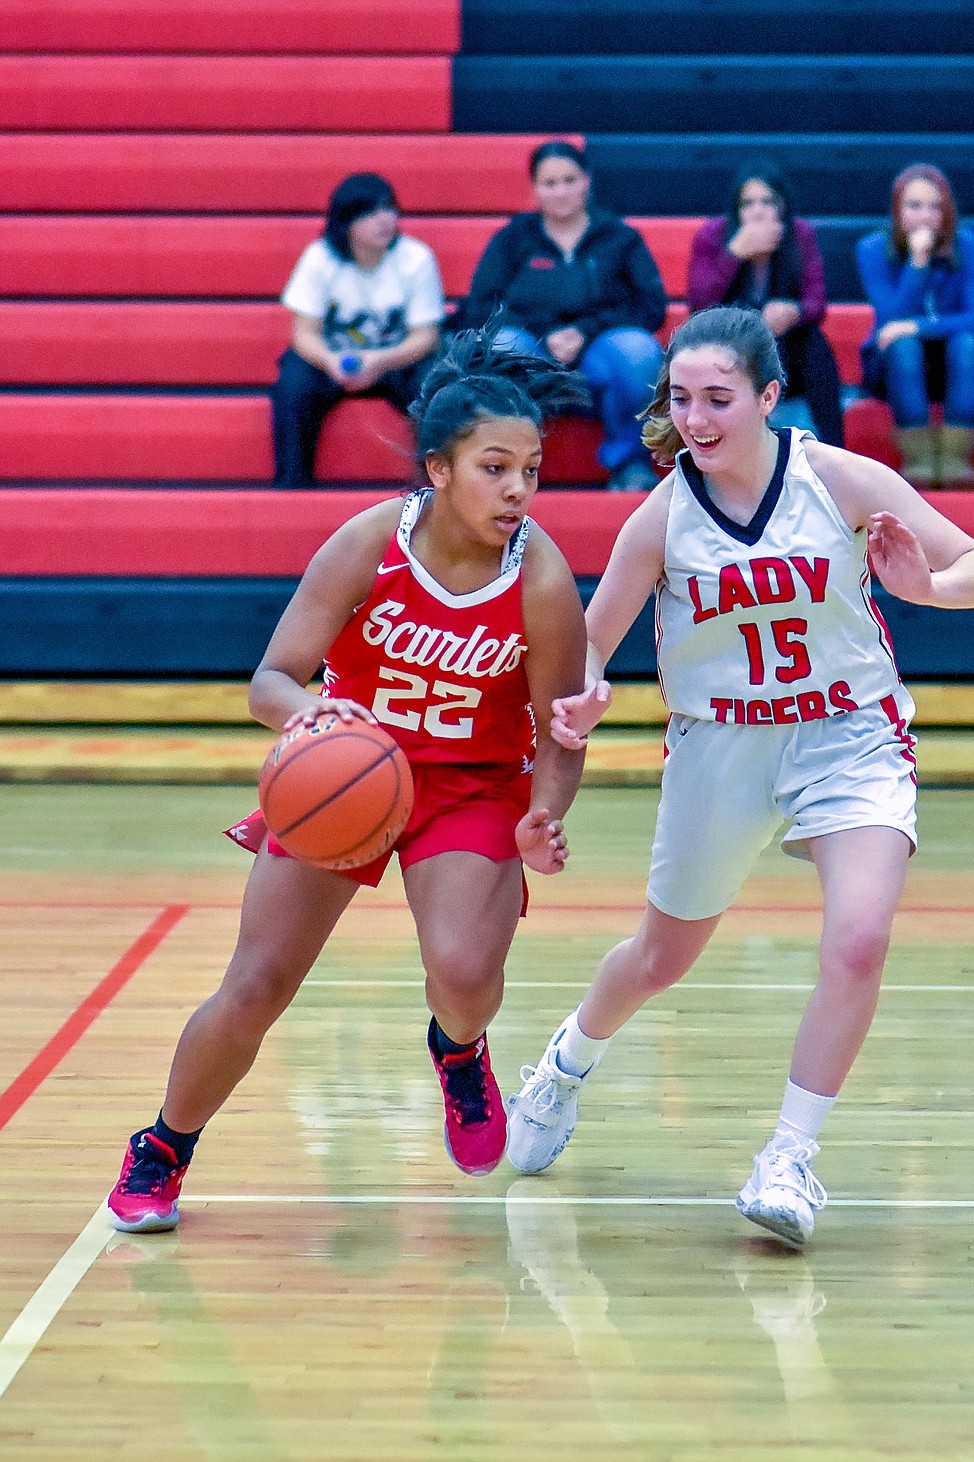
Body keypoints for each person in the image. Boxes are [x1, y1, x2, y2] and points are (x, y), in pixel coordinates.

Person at [505, 306, 974, 1251]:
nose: (694, 419)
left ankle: (789, 1155)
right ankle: (566, 1064)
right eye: (681, 398)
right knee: (661, 958)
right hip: (720, 744)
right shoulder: (660, 516)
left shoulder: (842, 478)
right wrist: (583, 703)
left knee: (858, 939)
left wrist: (930, 590)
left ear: (770, 398)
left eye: (718, 400)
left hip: (849, 733)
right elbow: (587, 649)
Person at [108, 328, 591, 1232]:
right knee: (255, 985)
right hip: (348, 773)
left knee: (463, 968)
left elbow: (562, 731)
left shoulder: (542, 577)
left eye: (531, 467)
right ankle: (163, 1145)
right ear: (440, 470)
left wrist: (543, 814)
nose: (519, 488)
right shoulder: (369, 543)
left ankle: (460, 1050)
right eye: (496, 467)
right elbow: (270, 681)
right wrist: (316, 718)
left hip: (473, 786)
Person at [459, 140, 667, 493]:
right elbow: (481, 307)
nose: (561, 191)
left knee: (639, 351)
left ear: (587, 181)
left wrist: (584, 331)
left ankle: (630, 464)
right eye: (549, 183)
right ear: (534, 188)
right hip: (532, 351)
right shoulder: (512, 239)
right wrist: (545, 332)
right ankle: (506, 466)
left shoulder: (620, 237)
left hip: (600, 351)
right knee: (501, 344)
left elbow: (650, 306)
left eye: (570, 180)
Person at [271, 172, 444, 487]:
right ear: (346, 221)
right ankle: (292, 485)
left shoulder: (415, 258)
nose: (385, 220)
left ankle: (433, 488)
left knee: (435, 378)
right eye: (371, 212)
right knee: (293, 381)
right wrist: (330, 361)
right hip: (334, 359)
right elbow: (303, 334)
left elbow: (426, 336)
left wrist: (379, 361)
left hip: (396, 361)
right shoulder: (320, 258)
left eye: (390, 209)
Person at [687, 161, 844, 447]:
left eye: (768, 201)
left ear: (782, 207)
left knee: (814, 343)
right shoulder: (713, 236)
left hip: (789, 349)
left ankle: (835, 450)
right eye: (748, 203)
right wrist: (733, 254)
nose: (758, 211)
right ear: (736, 209)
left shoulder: (800, 235)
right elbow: (699, 307)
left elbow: (816, 302)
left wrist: (794, 312)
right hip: (728, 346)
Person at [856, 165, 974, 489]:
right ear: (897, 210)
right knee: (904, 347)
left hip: (955, 366)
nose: (926, 215)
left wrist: (916, 327)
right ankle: (918, 460)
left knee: (967, 343)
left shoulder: (967, 244)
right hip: (892, 369)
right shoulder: (872, 249)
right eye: (915, 206)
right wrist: (918, 263)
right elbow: (890, 320)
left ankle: (956, 459)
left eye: (935, 207)